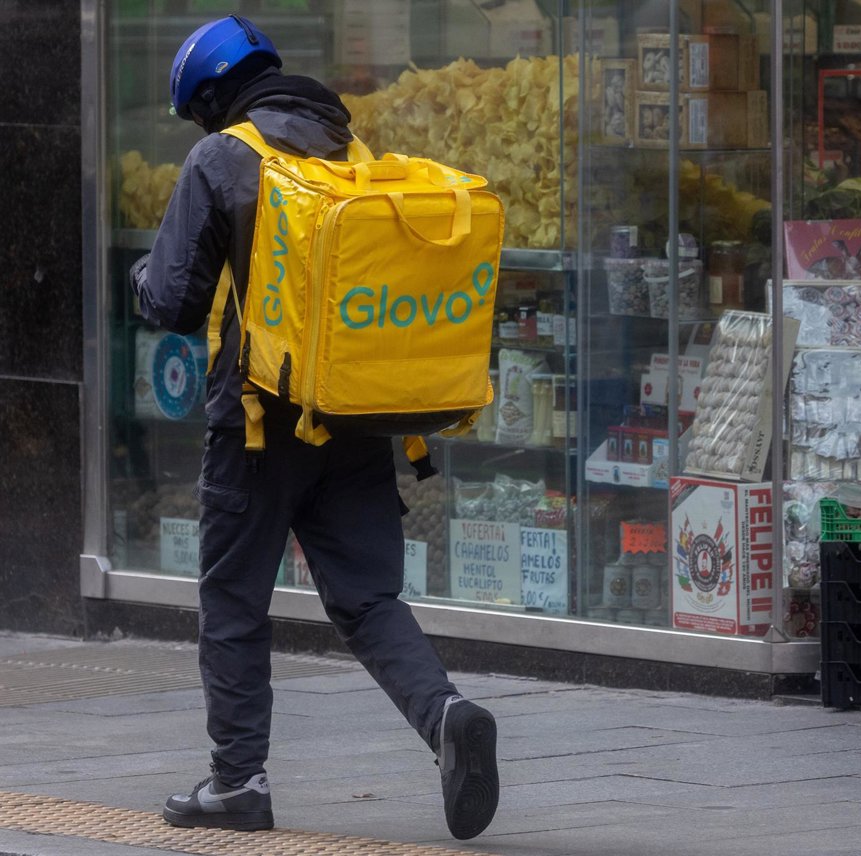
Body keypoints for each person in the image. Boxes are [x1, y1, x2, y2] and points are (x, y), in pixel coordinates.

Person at [129, 14, 499, 840]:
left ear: (211, 98)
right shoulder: (349, 153)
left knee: (234, 601)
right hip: (353, 415)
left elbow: (176, 302)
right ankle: (446, 714)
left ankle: (237, 783)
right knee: (367, 598)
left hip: (257, 426)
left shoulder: (222, 159)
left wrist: (141, 273)